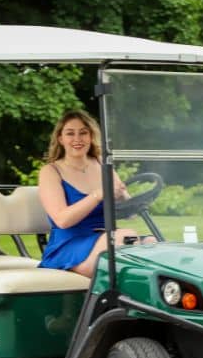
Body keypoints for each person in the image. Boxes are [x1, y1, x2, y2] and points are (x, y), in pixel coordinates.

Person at [38, 109, 155, 278]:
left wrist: (123, 197)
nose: (77, 139)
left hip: (106, 238)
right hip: (69, 244)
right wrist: (97, 195)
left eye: (83, 133)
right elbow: (62, 220)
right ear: (60, 139)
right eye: (70, 133)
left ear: (91, 137)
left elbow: (130, 215)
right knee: (125, 238)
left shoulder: (102, 164)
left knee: (152, 242)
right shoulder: (51, 171)